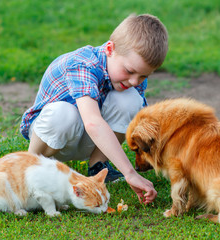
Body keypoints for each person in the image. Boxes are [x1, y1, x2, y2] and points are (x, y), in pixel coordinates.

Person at [19, 13, 168, 204]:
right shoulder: (83, 64)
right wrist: (129, 172)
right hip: (53, 139)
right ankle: (28, 167)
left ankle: (98, 165)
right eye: (130, 71)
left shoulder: (131, 79)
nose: (134, 81)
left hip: (89, 138)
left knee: (131, 100)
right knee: (65, 114)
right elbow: (92, 122)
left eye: (143, 76)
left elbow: (139, 124)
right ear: (110, 49)